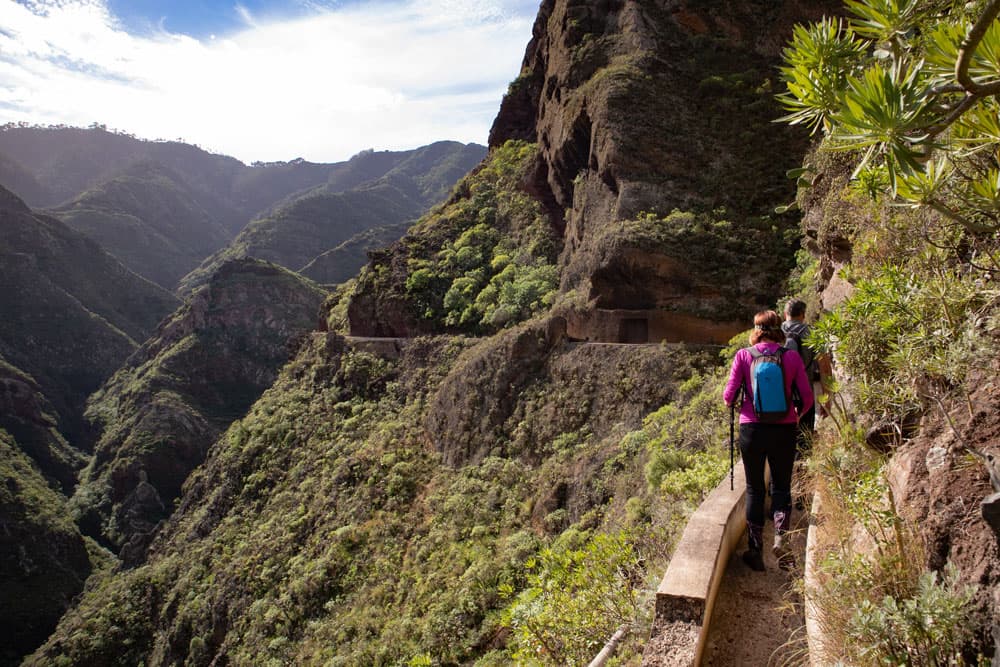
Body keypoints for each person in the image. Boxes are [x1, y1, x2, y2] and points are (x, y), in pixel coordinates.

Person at [723, 310, 813, 571]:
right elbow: (806, 399)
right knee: (782, 487)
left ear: (756, 329)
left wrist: (739, 402)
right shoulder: (791, 357)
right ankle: (781, 539)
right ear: (778, 329)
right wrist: (794, 417)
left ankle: (755, 551)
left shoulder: (743, 356)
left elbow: (729, 397)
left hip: (751, 429)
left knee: (754, 489)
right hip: (784, 430)